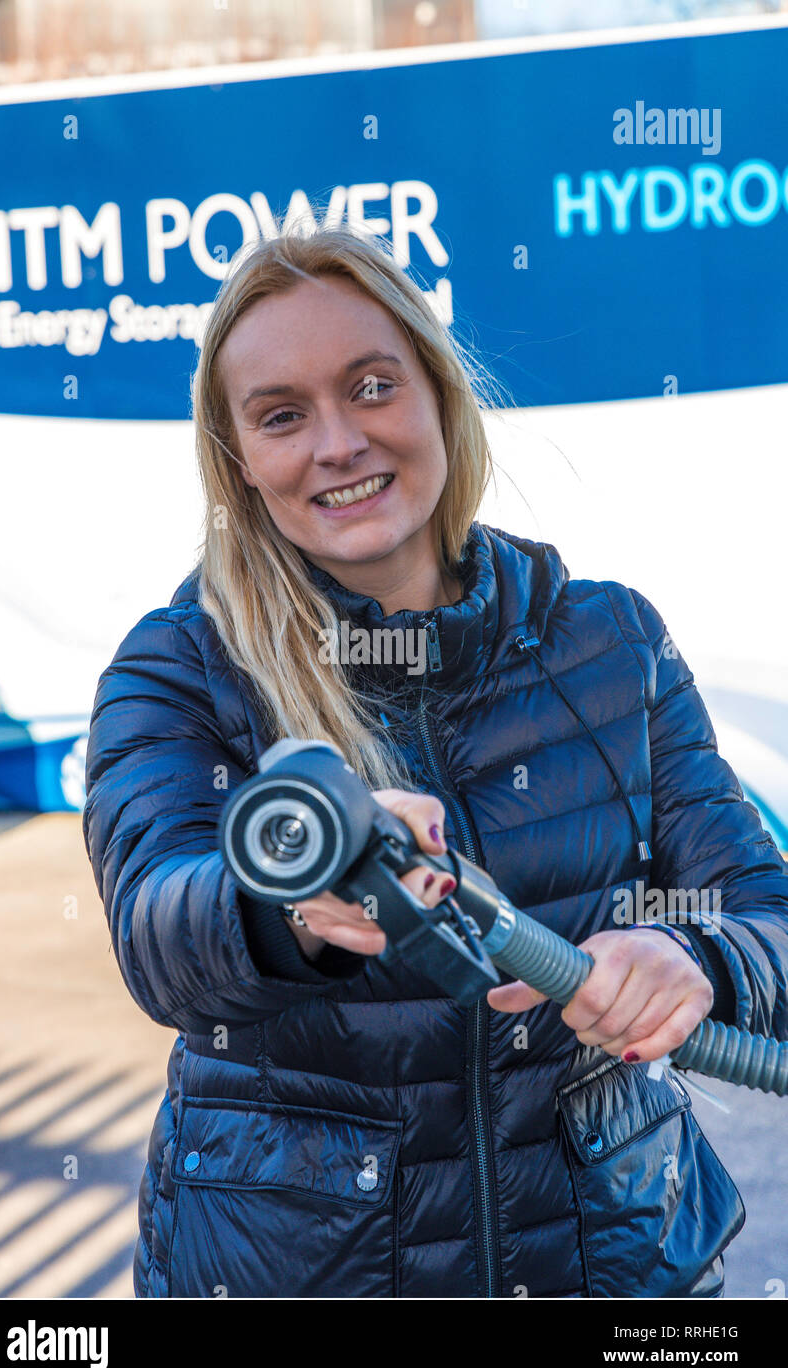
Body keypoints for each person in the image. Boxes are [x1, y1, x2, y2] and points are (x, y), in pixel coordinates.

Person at [83, 225, 788, 1299]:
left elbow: (764, 909)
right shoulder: (180, 667)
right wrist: (292, 906)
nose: (338, 443)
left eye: (372, 387)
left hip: (609, 1264)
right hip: (303, 1269)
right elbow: (158, 932)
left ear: (439, 394)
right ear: (239, 463)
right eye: (282, 415)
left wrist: (701, 961)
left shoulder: (611, 643)